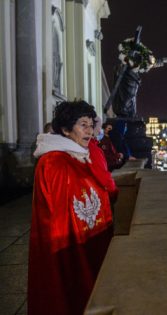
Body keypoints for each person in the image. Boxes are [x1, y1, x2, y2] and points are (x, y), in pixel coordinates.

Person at [29, 101, 114, 315]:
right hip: (72, 250)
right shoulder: (54, 163)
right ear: (66, 130)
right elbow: (57, 220)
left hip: (90, 243)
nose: (89, 131)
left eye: (90, 125)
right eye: (82, 125)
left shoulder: (78, 156)